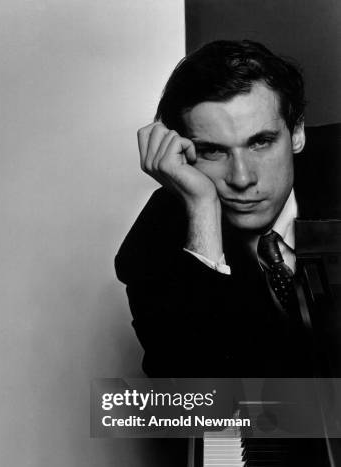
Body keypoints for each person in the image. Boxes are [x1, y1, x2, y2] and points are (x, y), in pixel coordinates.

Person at [115, 40, 315, 378]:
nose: (241, 178)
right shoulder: (155, 241)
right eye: (212, 151)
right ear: (184, 154)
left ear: (296, 132)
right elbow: (197, 399)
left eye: (260, 142)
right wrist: (202, 208)